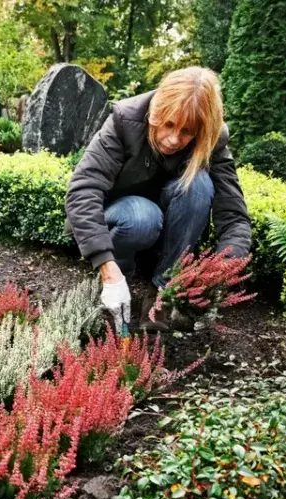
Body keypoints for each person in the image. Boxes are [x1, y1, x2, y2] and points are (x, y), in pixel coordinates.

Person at [65, 66, 251, 334]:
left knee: (198, 185)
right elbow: (83, 190)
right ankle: (121, 276)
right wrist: (106, 265)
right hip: (122, 218)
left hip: (166, 225)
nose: (174, 139)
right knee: (142, 216)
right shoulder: (125, 120)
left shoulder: (212, 140)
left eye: (188, 132)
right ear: (156, 112)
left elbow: (233, 214)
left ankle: (162, 290)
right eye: (169, 124)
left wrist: (223, 269)